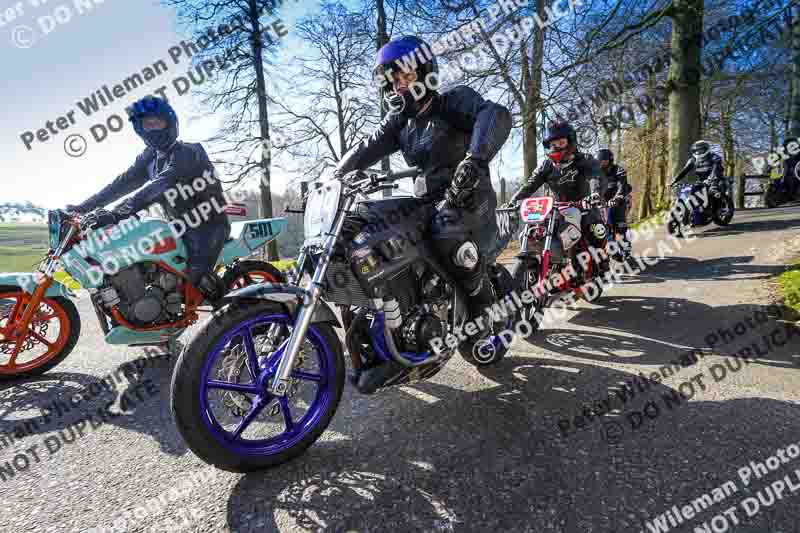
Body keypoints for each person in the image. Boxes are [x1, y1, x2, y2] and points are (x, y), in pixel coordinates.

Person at [333, 35, 512, 331]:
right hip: (427, 202)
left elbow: (494, 114)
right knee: (364, 218)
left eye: (406, 76)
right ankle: (391, 306)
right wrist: (332, 178)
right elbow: (366, 147)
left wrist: (475, 159)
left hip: (468, 198)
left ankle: (484, 310)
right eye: (392, 80)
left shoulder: (454, 102)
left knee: (444, 228)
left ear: (425, 73)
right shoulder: (399, 121)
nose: (398, 85)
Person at [65, 96, 230, 300]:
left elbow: (160, 185)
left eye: (157, 122)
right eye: (147, 125)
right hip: (176, 227)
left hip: (206, 227)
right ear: (140, 129)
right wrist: (84, 208)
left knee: (194, 285)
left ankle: (237, 315)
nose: (153, 129)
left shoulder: (190, 152)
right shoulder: (150, 156)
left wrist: (116, 214)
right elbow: (121, 184)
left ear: (170, 122)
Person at [507, 121, 608, 271]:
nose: (556, 147)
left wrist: (595, 194)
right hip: (557, 209)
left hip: (584, 205)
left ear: (570, 141)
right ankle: (550, 265)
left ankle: (602, 260)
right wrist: (513, 201)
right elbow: (529, 185)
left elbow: (595, 176)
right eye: (553, 144)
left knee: (597, 230)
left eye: (561, 142)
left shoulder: (584, 159)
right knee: (536, 232)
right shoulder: (546, 165)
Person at [596, 148, 632, 257]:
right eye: (599, 161)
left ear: (610, 160)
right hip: (602, 202)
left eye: (604, 161)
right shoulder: (596, 173)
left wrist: (618, 197)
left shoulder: (619, 170)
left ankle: (625, 245)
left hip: (618, 200)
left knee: (620, 223)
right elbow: (592, 186)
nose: (601, 163)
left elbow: (622, 185)